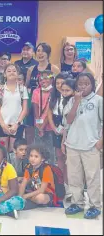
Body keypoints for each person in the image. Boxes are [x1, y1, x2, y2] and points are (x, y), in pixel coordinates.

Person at [63, 72, 102, 219]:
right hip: (73, 144)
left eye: (87, 84)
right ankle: (77, 202)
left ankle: (95, 205)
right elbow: (69, 120)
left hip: (91, 145)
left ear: (92, 84)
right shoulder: (72, 100)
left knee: (92, 177)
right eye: (80, 84)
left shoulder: (98, 100)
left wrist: (100, 143)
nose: (83, 86)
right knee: (74, 177)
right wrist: (77, 102)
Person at [25, 43, 60, 145]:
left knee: (47, 135)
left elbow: (58, 86)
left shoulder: (54, 69)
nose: (40, 53)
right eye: (38, 51)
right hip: (33, 104)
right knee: (30, 134)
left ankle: (47, 159)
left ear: (48, 54)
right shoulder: (31, 69)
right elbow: (27, 86)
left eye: (43, 51)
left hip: (47, 105)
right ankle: (31, 158)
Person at [0, 64, 28, 153]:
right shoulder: (0, 89)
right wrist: (2, 124)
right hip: (3, 124)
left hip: (17, 124)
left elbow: (24, 109)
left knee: (14, 150)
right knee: (3, 149)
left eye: (14, 71)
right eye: (9, 71)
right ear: (5, 74)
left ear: (17, 74)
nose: (11, 72)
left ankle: (14, 167)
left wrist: (17, 124)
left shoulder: (22, 89)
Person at [47, 72, 74, 184]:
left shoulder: (71, 97)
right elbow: (49, 113)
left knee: (69, 156)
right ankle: (61, 180)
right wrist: (53, 128)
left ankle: (70, 180)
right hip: (56, 125)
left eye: (62, 83)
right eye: (57, 83)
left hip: (68, 126)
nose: (59, 85)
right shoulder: (53, 95)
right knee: (59, 155)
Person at [32, 70, 55, 165]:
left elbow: (50, 110)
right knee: (38, 149)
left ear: (52, 79)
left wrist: (43, 126)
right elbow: (35, 107)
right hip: (38, 125)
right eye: (40, 79)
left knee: (50, 150)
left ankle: (51, 170)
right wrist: (38, 123)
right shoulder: (36, 91)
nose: (43, 80)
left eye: (46, 78)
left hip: (50, 126)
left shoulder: (54, 91)